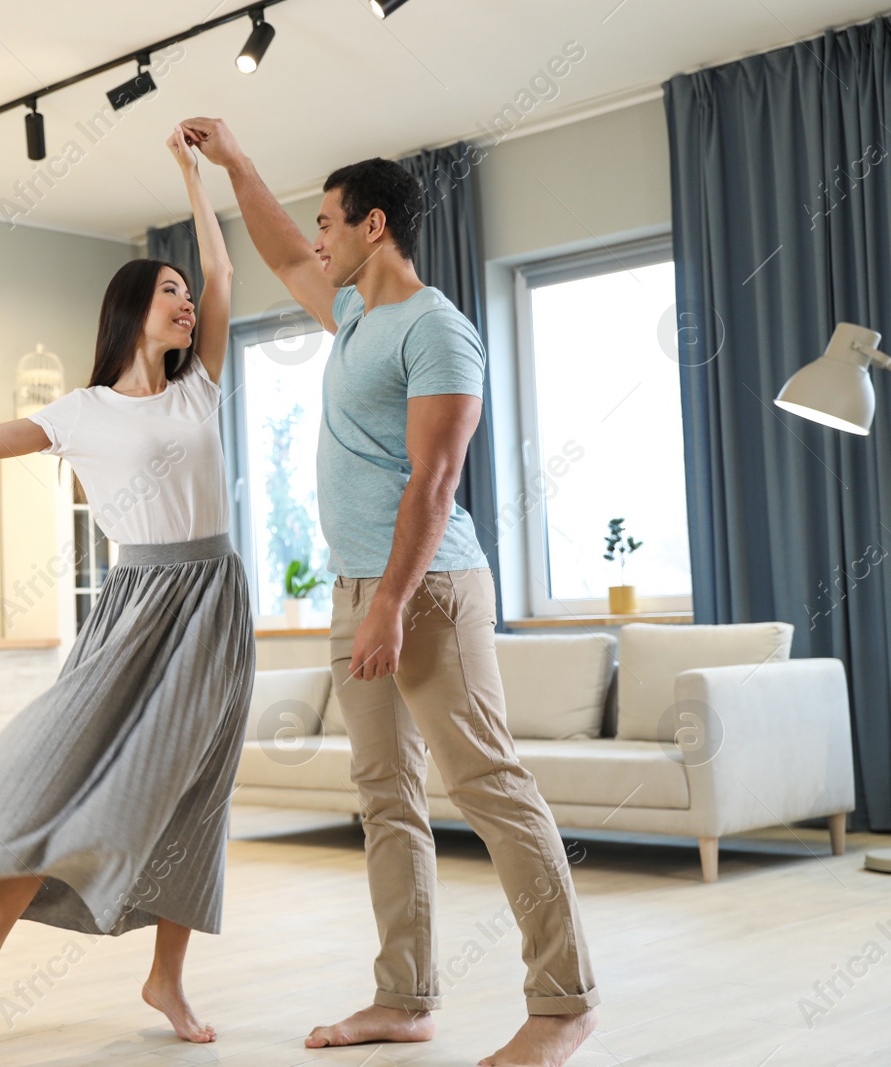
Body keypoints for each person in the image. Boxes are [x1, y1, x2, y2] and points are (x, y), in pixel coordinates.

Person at [180, 116, 600, 1067]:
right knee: (386, 797)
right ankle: (404, 997)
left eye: (329, 222)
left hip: (431, 589)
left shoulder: (438, 328)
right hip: (357, 587)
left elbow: (435, 482)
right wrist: (240, 162)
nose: (316, 238)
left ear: (374, 225)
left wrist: (391, 605)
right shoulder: (360, 316)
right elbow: (283, 252)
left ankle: (565, 1000)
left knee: (490, 784)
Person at [0, 127, 254, 1060]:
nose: (190, 305)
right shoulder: (75, 414)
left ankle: (166, 973)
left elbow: (226, 275)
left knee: (197, 794)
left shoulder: (200, 390)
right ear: (130, 309)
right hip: (137, 607)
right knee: (66, 788)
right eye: (171, 294)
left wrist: (196, 179)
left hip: (215, 605)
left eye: (189, 298)